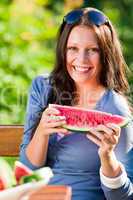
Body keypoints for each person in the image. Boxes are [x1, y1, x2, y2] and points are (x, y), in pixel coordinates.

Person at [20, 7, 133, 200]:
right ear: (63, 49)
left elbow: (124, 197)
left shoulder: (116, 107)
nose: (81, 60)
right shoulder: (42, 88)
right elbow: (28, 170)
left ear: (106, 53)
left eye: (92, 50)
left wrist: (107, 157)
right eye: (73, 48)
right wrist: (41, 132)